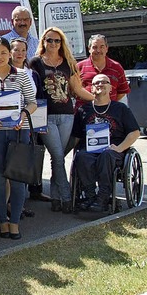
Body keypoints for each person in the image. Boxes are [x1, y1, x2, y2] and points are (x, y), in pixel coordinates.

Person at [29, 27, 95, 214]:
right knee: (57, 156)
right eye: (49, 40)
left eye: (57, 41)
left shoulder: (69, 63)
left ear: (62, 43)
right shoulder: (35, 63)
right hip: (46, 116)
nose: (53, 44)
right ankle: (67, 198)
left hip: (67, 115)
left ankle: (56, 199)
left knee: (57, 158)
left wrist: (98, 99)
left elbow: (78, 90)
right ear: (43, 41)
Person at [0, 37, 37, 240]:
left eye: (3, 53)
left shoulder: (22, 75)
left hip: (18, 131)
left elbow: (32, 102)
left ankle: (14, 221)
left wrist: (23, 114)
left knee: (17, 179)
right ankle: (2, 222)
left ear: (10, 54)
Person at [72, 74, 140, 212]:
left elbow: (134, 133)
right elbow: (77, 137)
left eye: (104, 82)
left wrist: (120, 148)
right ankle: (91, 196)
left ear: (110, 88)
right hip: (90, 149)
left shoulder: (120, 109)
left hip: (114, 150)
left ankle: (103, 198)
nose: (100, 84)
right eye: (96, 83)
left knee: (107, 155)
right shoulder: (83, 110)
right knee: (81, 156)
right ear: (91, 88)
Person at [10, 38, 49, 203]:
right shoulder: (5, 71)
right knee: (13, 162)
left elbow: (39, 100)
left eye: (23, 50)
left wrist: (40, 124)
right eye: (16, 50)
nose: (19, 54)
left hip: (31, 123)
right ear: (10, 52)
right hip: (10, 123)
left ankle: (30, 194)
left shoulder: (32, 74)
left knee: (28, 159)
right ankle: (12, 200)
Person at [76, 34, 130, 110]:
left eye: (102, 47)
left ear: (106, 48)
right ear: (89, 49)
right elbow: (74, 91)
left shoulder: (116, 67)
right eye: (94, 47)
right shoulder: (78, 67)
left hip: (110, 112)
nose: (98, 50)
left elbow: (122, 91)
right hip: (85, 113)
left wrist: (106, 102)